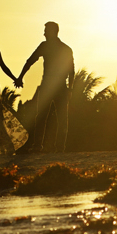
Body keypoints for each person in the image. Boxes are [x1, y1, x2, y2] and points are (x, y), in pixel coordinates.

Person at [16, 22, 75, 152]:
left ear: (53, 32)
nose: (44, 33)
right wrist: (20, 77)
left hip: (55, 86)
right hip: (52, 86)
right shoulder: (58, 48)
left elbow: (71, 71)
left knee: (53, 117)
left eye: (46, 31)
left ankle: (53, 147)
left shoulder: (61, 48)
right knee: (48, 116)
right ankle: (44, 146)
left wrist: (70, 88)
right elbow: (30, 61)